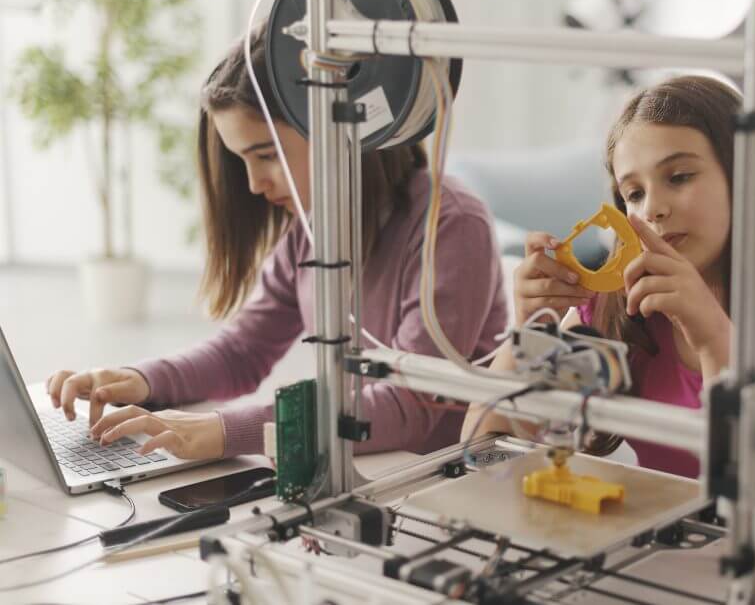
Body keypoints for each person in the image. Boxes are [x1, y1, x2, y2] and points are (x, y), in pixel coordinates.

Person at [45, 26, 508, 460]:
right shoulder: (311, 228)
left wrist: (228, 432)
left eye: (265, 155)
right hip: (365, 474)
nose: (252, 185)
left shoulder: (452, 227)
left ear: (339, 128)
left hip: (440, 486)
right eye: (241, 161)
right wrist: (138, 380)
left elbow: (408, 407)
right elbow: (243, 352)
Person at [463, 75, 755, 520]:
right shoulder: (615, 315)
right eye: (634, 193)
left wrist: (714, 340)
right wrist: (528, 334)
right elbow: (483, 461)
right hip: (682, 561)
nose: (653, 209)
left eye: (679, 177)